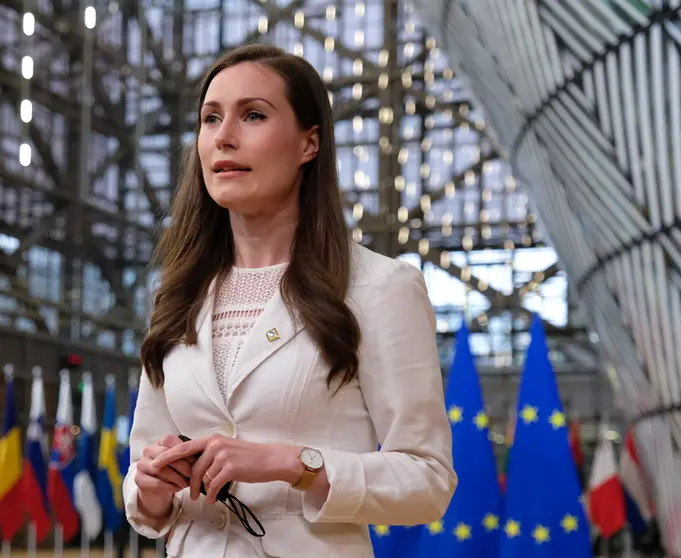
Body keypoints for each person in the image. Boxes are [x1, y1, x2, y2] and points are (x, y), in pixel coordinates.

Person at [122, 43, 457, 557]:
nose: (224, 136)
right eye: (210, 119)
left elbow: (428, 480)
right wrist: (150, 487)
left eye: (253, 115)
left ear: (309, 144)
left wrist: (294, 464)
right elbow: (141, 476)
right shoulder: (178, 294)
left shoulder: (382, 287)